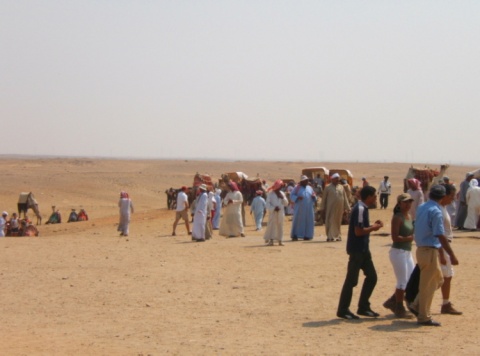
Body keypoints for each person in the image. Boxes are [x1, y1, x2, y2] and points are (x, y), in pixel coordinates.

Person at [409, 185, 459, 326]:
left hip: (422, 249)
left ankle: (417, 303)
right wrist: (451, 255)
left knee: (438, 280)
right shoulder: (436, 211)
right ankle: (424, 316)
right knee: (427, 286)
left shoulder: (423, 207)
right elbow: (439, 235)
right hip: (429, 250)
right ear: (443, 197)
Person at [337, 186, 384, 320]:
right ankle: (343, 309)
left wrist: (372, 225)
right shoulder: (361, 209)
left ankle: (363, 306)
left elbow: (362, 227)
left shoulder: (362, 208)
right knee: (351, 280)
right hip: (357, 249)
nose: (376, 199)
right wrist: (374, 228)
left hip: (363, 249)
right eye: (374, 196)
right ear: (369, 197)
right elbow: (358, 231)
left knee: (372, 277)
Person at [383, 193, 415, 318]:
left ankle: (392, 301)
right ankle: (399, 307)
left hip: (407, 251)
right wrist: (409, 238)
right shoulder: (398, 217)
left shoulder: (409, 216)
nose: (408, 204)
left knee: (411, 280)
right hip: (398, 252)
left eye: (410, 202)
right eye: (405, 202)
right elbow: (395, 237)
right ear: (399, 203)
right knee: (402, 281)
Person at [438, 184, 462, 315]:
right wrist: (442, 253)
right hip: (442, 246)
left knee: (446, 276)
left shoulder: (443, 208)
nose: (452, 199)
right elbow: (438, 234)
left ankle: (446, 303)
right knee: (444, 276)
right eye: (451, 196)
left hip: (445, 245)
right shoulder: (439, 211)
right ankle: (445, 304)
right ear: (445, 196)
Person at [320, 173, 350, 242]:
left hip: (339, 208)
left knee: (338, 222)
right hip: (330, 208)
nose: (337, 180)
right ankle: (330, 236)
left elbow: (345, 197)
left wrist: (347, 208)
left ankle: (337, 236)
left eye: (338, 178)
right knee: (330, 221)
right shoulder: (327, 187)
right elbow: (324, 198)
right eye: (336, 178)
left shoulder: (341, 187)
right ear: (332, 179)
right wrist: (322, 208)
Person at [290, 175, 317, 241]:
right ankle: (295, 235)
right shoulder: (297, 188)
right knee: (298, 221)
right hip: (300, 208)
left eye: (307, 180)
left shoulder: (310, 188)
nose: (306, 182)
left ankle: (307, 235)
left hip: (309, 208)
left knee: (308, 221)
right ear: (302, 181)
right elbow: (291, 195)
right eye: (305, 181)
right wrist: (297, 198)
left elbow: (314, 195)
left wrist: (314, 197)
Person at [264, 179, 289, 246]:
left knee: (280, 226)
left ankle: (280, 240)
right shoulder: (270, 194)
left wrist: (282, 198)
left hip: (280, 213)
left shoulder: (282, 193)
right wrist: (274, 208)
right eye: (280, 186)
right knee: (272, 226)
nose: (280, 188)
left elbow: (286, 203)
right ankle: (271, 240)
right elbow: (267, 204)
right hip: (273, 213)